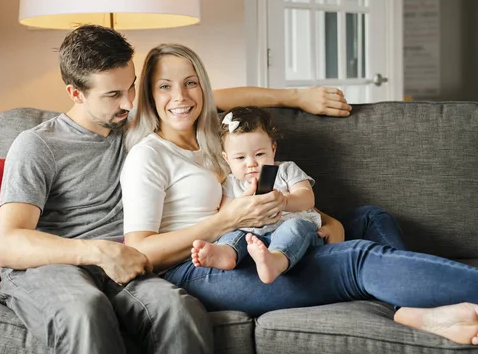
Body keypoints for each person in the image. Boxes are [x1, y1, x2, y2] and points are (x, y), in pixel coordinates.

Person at [0, 25, 353, 354]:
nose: (128, 102)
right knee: (84, 310)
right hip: (52, 267)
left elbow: (210, 98)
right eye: (113, 94)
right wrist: (98, 252)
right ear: (75, 93)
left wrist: (296, 97)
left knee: (180, 309)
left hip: (125, 266)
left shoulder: (131, 126)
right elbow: (8, 244)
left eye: (132, 86)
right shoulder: (38, 145)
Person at [120, 43, 478, 346]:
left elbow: (237, 103)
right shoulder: (149, 154)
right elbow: (140, 251)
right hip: (204, 267)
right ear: (149, 95)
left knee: (370, 217)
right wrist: (224, 221)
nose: (180, 97)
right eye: (164, 86)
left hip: (268, 236)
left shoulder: (215, 132)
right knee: (356, 259)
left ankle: (410, 309)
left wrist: (297, 98)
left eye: (191, 83)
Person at [191, 106, 324, 284]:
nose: (251, 164)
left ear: (273, 149)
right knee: (235, 235)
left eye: (259, 154)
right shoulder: (232, 183)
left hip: (291, 231)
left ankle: (276, 259)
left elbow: (307, 197)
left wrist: (284, 201)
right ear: (226, 158)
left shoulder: (285, 170)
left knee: (294, 227)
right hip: (253, 239)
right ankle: (226, 253)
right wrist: (241, 207)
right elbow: (225, 216)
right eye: (240, 158)